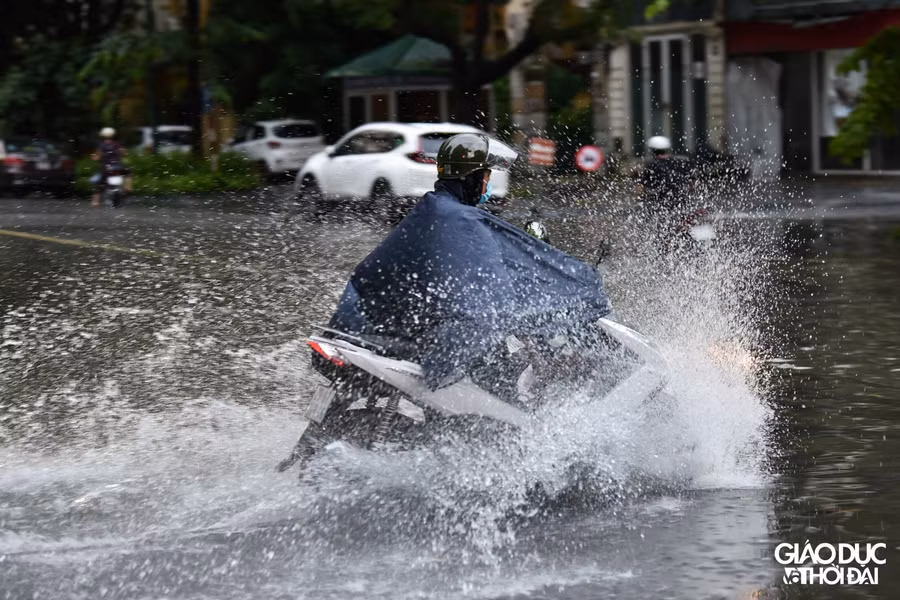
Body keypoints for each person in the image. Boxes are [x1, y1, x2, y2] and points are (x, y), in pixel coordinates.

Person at [324, 132, 612, 395]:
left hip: (383, 320)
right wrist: (571, 279)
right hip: (417, 331)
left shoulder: (435, 209)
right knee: (491, 347)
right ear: (470, 177)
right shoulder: (460, 220)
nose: (487, 183)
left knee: (490, 340)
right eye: (485, 176)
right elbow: (493, 276)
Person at [636, 135, 695, 240]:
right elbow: (692, 183)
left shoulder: (652, 165)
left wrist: (643, 197)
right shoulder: (679, 163)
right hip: (681, 202)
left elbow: (641, 187)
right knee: (683, 228)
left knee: (662, 232)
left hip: (662, 204)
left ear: (652, 150)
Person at [90, 127, 130, 207]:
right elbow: (125, 153)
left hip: (106, 168)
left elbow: (98, 157)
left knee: (99, 184)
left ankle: (95, 201)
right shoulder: (117, 144)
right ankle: (128, 187)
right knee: (128, 173)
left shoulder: (102, 145)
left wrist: (94, 158)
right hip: (118, 167)